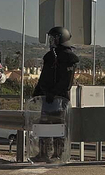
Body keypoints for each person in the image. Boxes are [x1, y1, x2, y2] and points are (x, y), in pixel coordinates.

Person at [33, 26, 78, 163]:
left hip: (59, 99)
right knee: (44, 126)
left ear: (61, 38)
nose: (51, 41)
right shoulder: (49, 56)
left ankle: (58, 153)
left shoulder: (69, 57)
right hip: (46, 98)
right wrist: (37, 92)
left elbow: (67, 81)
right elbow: (44, 76)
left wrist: (55, 93)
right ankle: (43, 152)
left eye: (54, 38)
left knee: (58, 126)